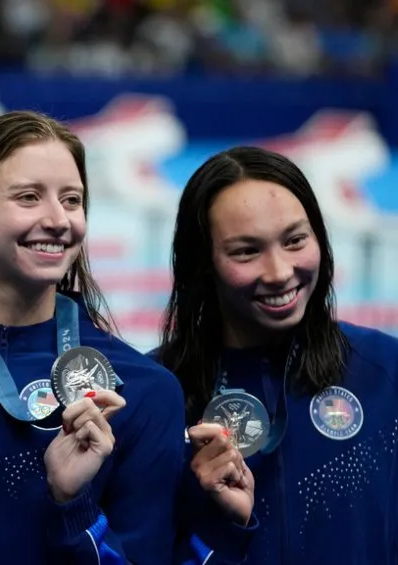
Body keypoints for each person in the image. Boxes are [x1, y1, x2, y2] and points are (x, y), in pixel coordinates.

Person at [0, 110, 194, 564]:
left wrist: (73, 504)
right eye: (29, 197)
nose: (58, 220)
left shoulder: (141, 391)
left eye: (72, 200)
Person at [156, 145, 398, 563]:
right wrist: (217, 527)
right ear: (203, 263)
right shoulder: (157, 393)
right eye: (246, 251)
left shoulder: (384, 370)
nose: (280, 272)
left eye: (295, 240)